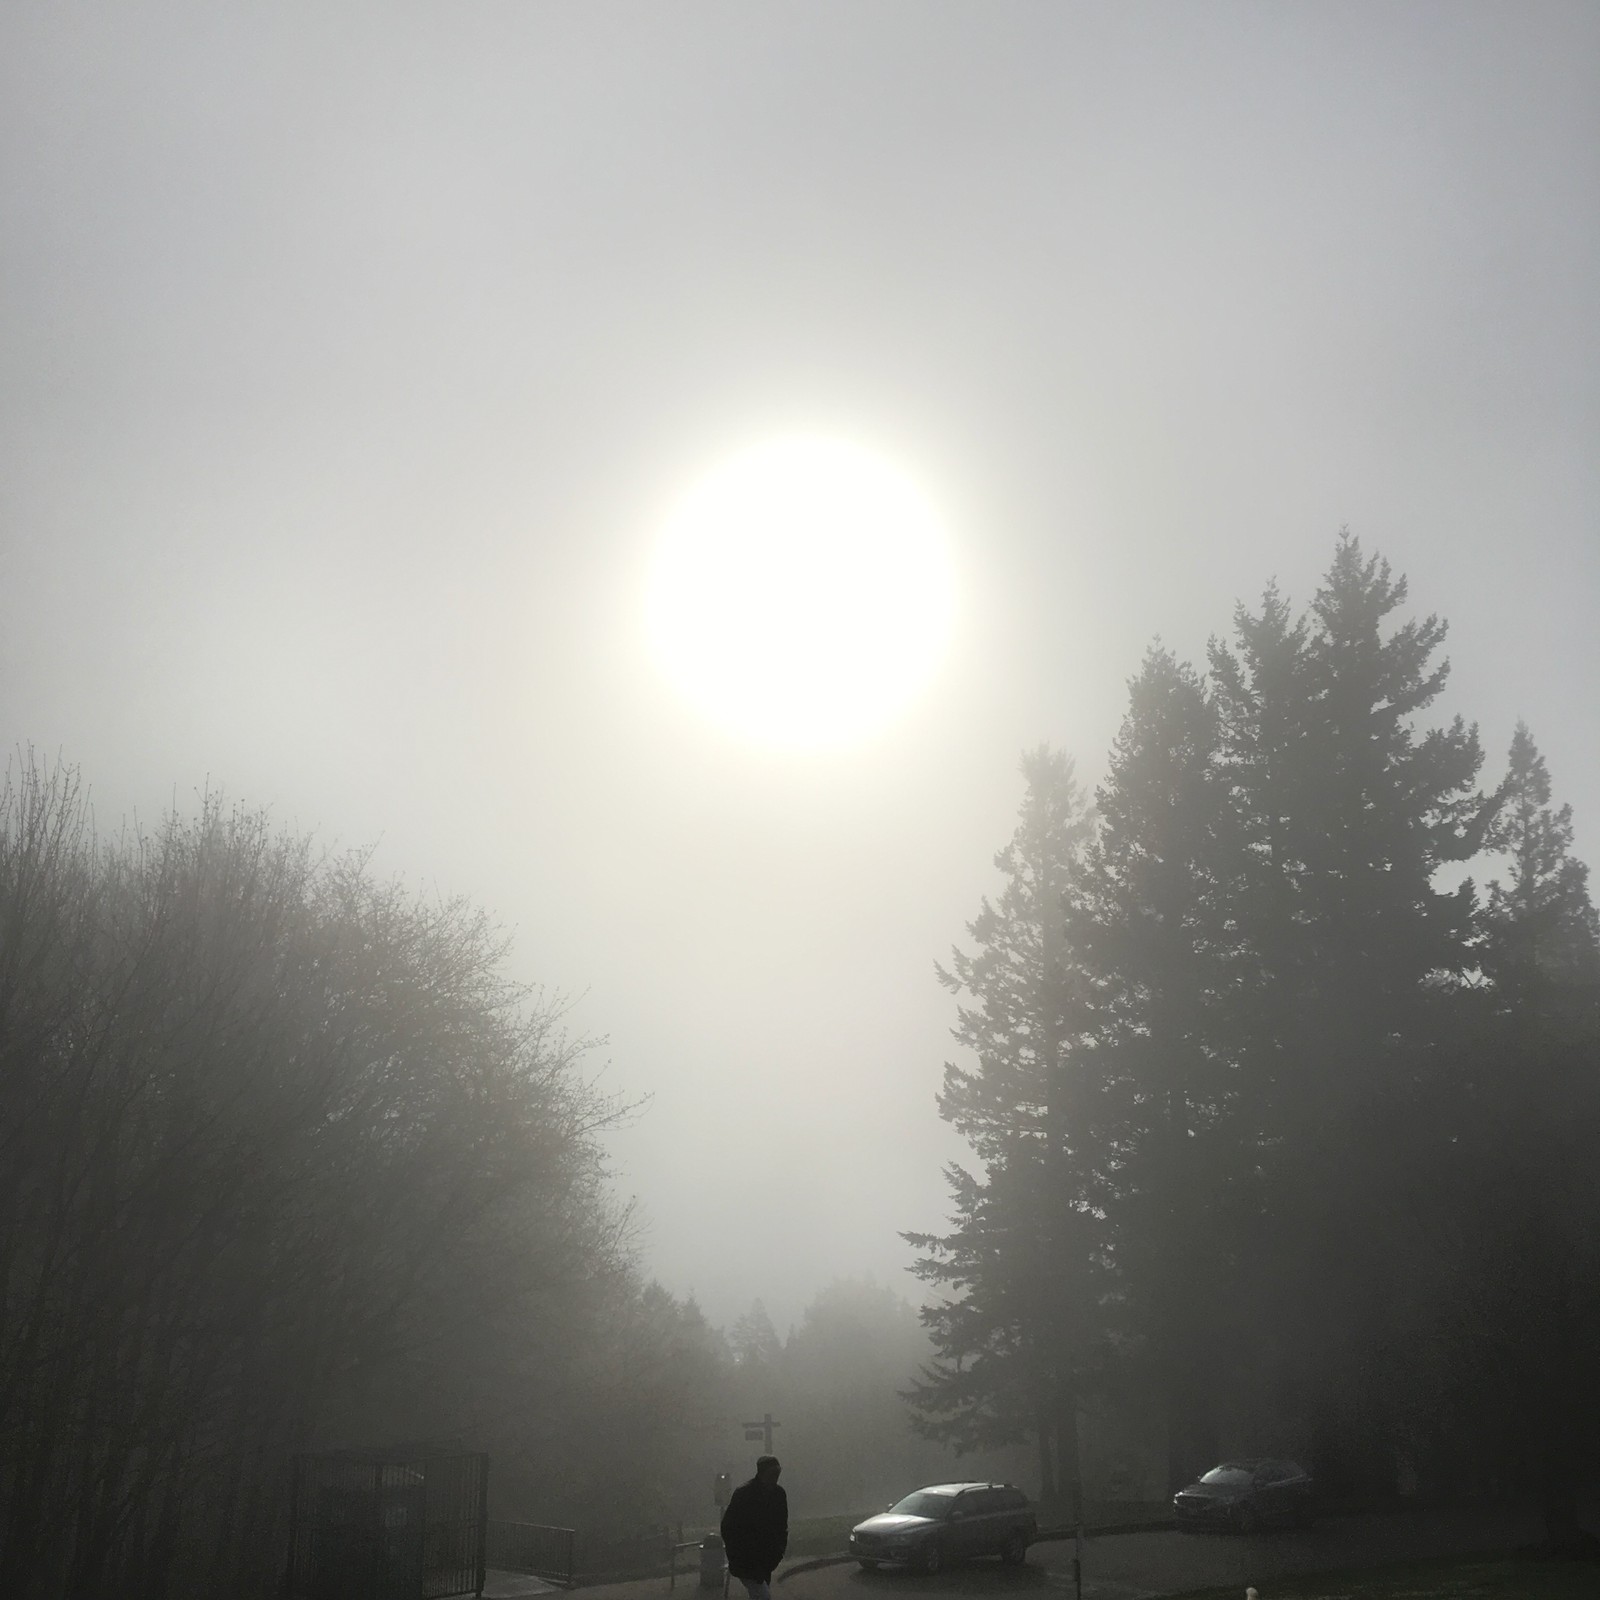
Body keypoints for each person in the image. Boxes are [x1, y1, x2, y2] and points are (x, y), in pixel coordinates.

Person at [719, 1455, 787, 1600]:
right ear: (762, 1473)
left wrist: (779, 1550)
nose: (775, 1477)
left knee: (759, 1593)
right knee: (762, 1595)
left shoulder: (778, 1494)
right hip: (747, 1559)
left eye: (777, 1473)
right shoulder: (744, 1495)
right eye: (772, 1473)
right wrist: (737, 1554)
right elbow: (728, 1528)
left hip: (766, 1559)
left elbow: (782, 1526)